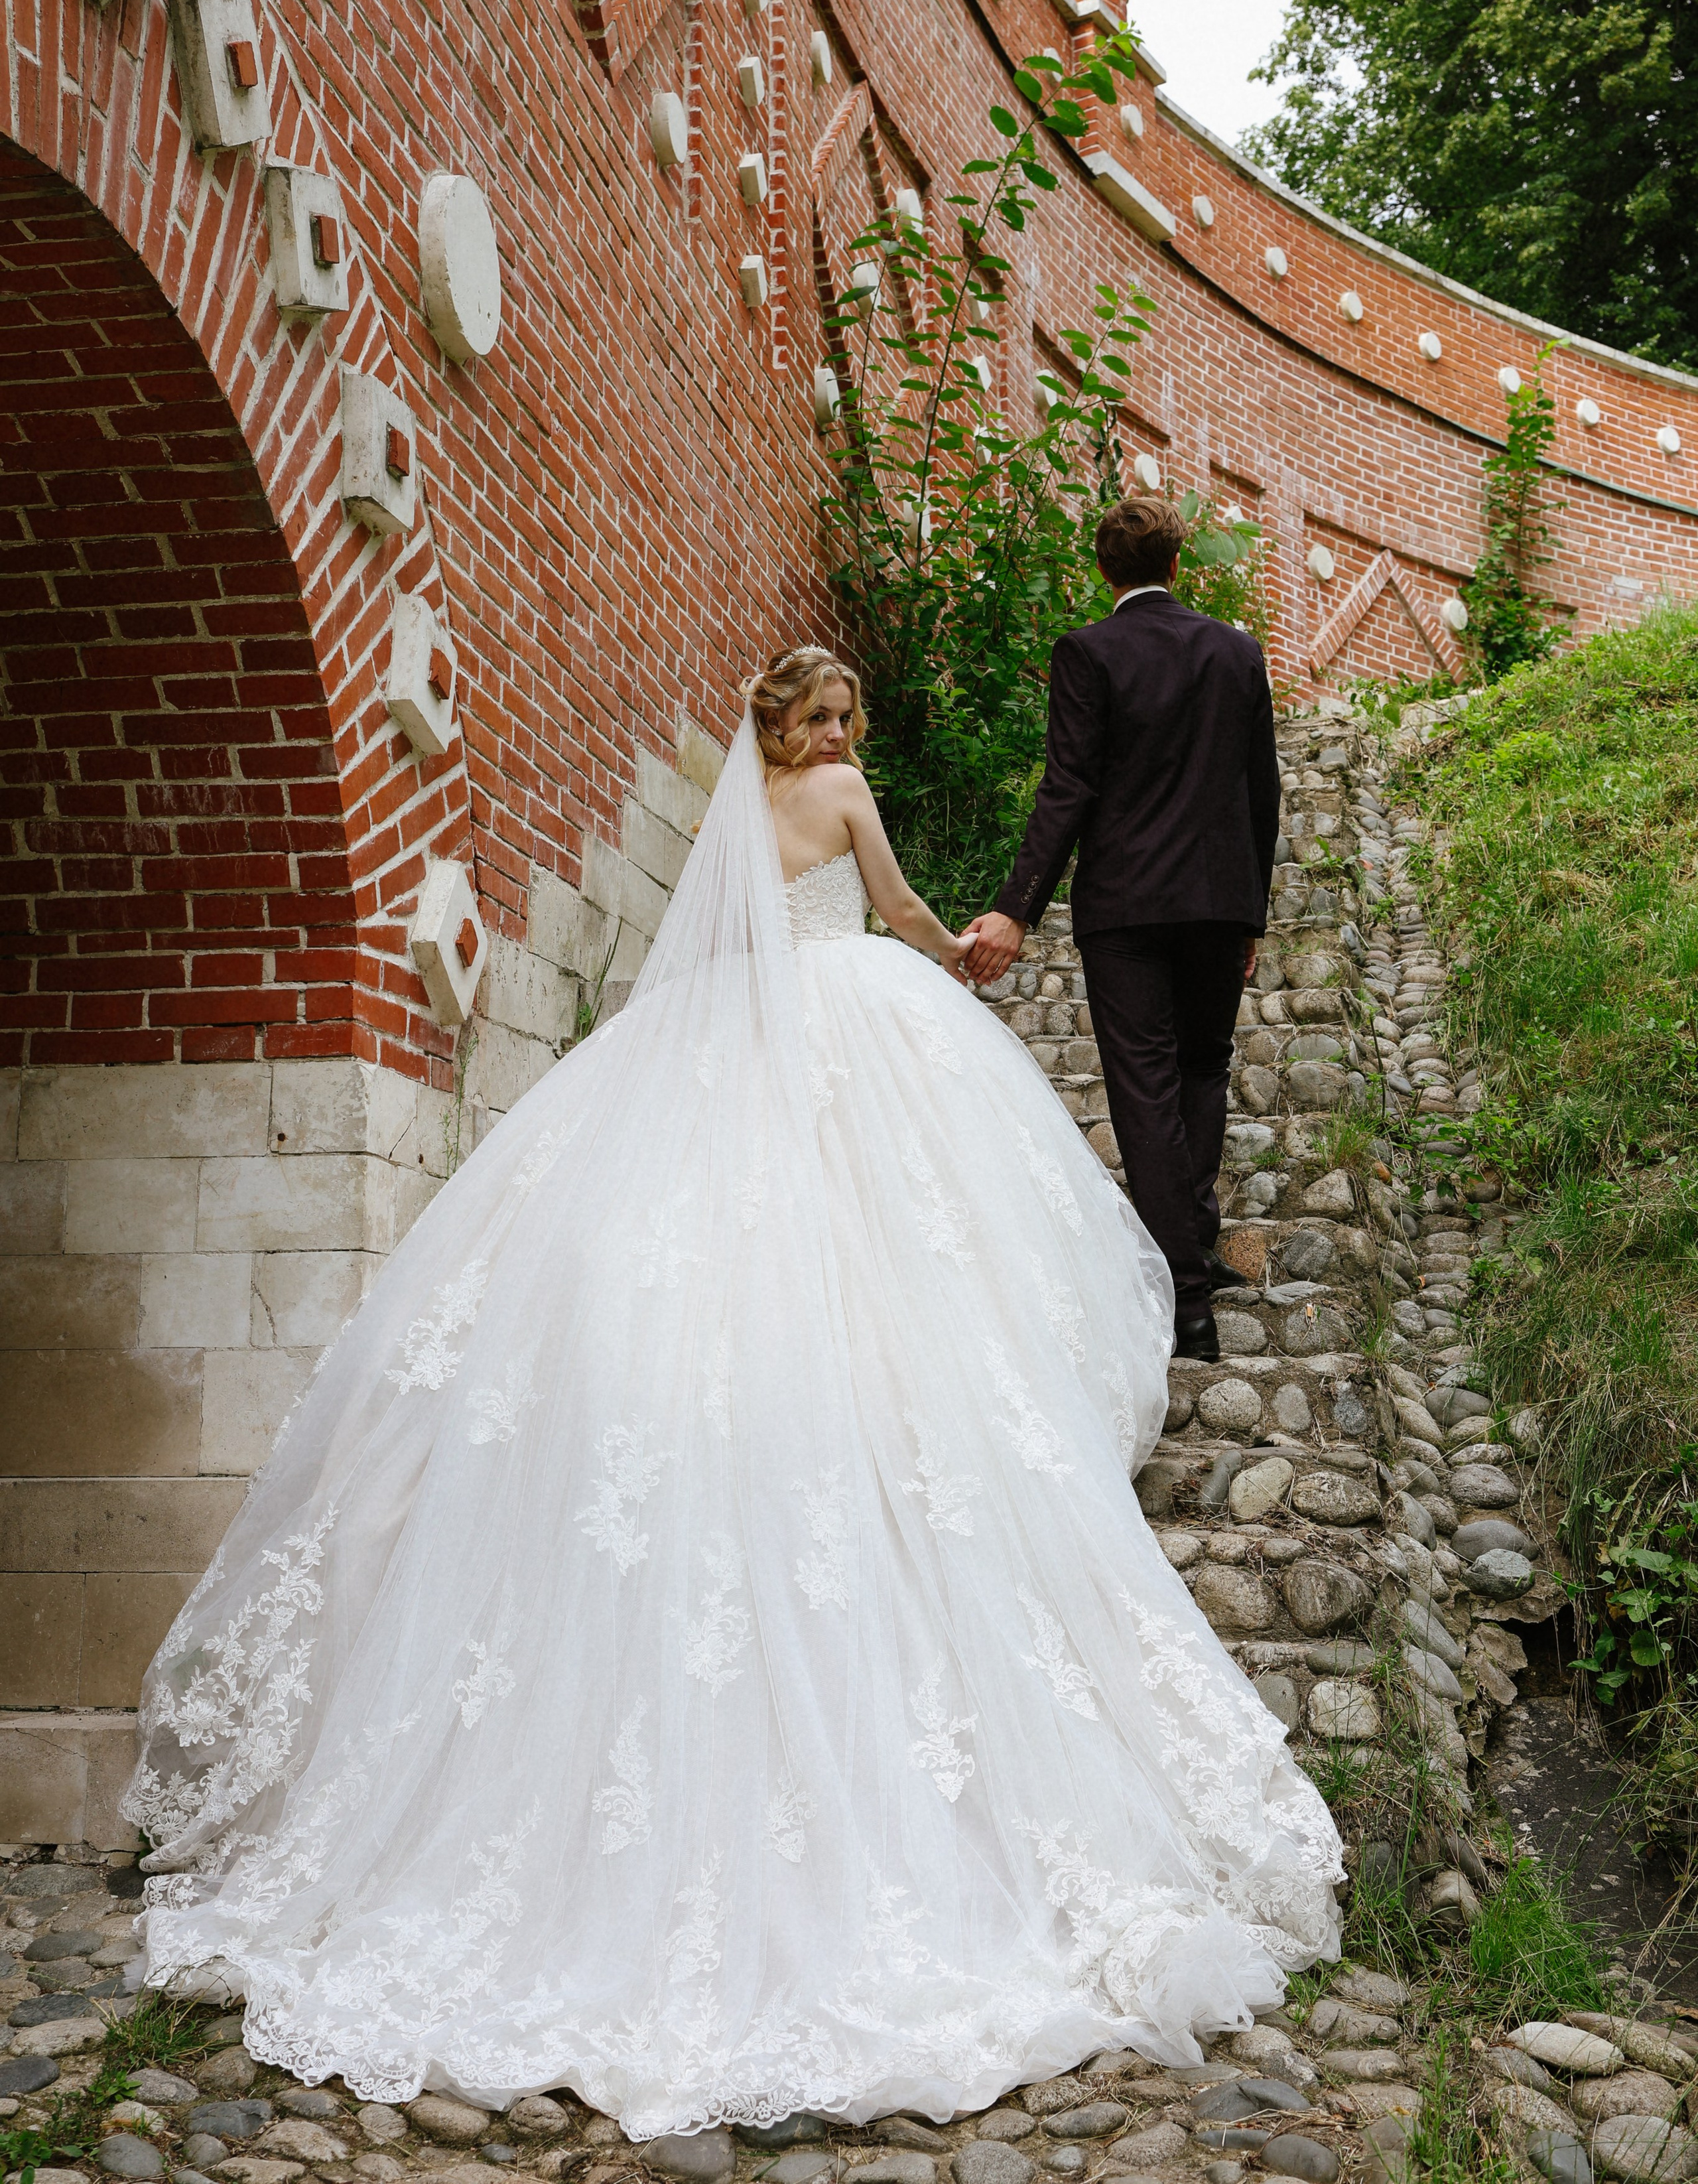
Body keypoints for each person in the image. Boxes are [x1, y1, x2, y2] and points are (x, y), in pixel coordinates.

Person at [126, 646, 1338, 2136]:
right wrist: (964, 949)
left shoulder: (729, 819)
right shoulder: (837, 795)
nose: (835, 736)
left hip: (734, 1045)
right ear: (795, 733)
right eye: (821, 719)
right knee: (894, 1262)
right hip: (855, 1038)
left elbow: (709, 962)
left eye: (839, 718)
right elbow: (889, 910)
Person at [965, 498, 1281, 1367]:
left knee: (1143, 1082)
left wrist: (1016, 906)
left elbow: (1067, 789)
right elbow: (1263, 793)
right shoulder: (1237, 652)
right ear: (1180, 566)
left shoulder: (1088, 652)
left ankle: (1181, 1289)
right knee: (1203, 1067)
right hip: (1218, 900)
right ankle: (1195, 1253)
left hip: (1128, 908)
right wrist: (1251, 908)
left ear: (1105, 572)